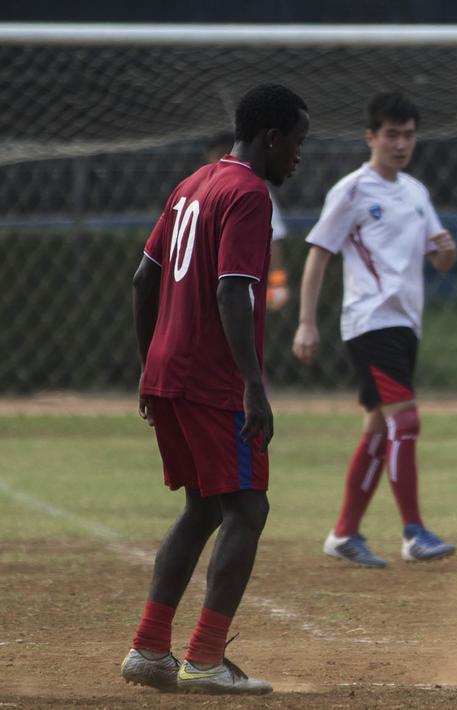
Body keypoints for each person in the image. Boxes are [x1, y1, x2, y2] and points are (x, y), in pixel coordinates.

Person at [121, 83, 309, 694]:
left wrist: (151, 363)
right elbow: (234, 289)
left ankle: (150, 650)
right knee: (248, 508)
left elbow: (142, 279)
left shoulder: (193, 183)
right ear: (271, 138)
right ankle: (203, 659)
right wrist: (254, 386)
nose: (298, 159)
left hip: (169, 373)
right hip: (212, 379)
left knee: (203, 506)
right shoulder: (249, 194)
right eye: (297, 144)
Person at [293, 91, 457, 569]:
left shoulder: (415, 192)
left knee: (378, 430)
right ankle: (413, 532)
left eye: (408, 134)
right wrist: (306, 323)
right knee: (405, 422)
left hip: (406, 324)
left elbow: (442, 259)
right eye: (392, 134)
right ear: (371, 137)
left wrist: (447, 251)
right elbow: (319, 254)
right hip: (369, 322)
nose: (401, 143)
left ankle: (344, 533)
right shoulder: (352, 190)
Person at [205, 131, 292, 311]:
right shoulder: (202, 189)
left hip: (241, 284)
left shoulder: (254, 190)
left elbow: (272, 237)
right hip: (208, 281)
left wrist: (278, 282)